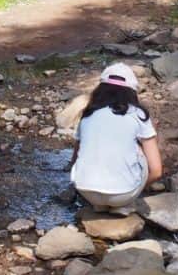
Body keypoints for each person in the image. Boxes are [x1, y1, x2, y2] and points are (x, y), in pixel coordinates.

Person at [70, 62, 163, 215]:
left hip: (85, 190)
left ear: (100, 90)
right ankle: (121, 204)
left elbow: (74, 161)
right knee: (140, 149)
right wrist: (137, 188)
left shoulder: (88, 114)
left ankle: (99, 205)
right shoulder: (138, 114)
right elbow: (156, 171)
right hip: (123, 195)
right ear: (132, 92)